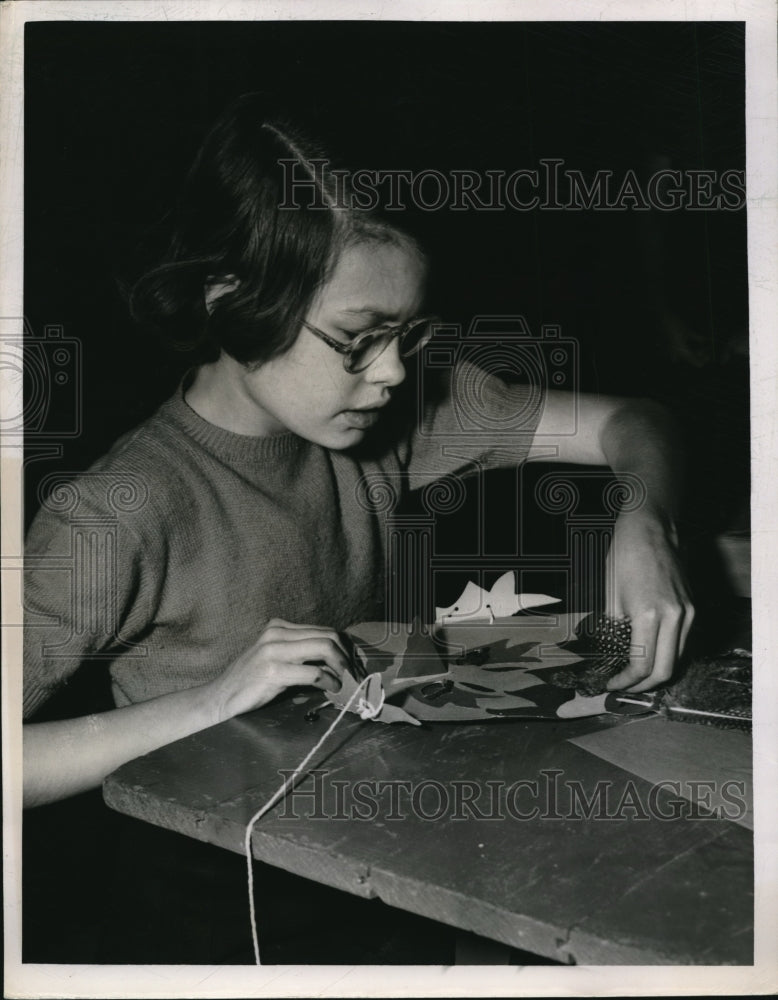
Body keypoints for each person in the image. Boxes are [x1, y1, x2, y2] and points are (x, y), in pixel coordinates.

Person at [23, 94, 693, 812]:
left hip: (365, 828)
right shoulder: (114, 513)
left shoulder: (390, 415)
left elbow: (634, 421)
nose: (394, 373)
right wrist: (208, 704)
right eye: (357, 338)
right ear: (231, 300)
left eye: (408, 335)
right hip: (210, 888)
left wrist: (643, 521)